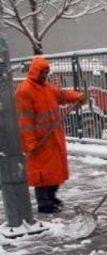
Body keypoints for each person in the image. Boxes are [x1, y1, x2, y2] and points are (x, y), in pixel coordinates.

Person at [15, 56, 86, 214]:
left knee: (55, 170)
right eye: (42, 72)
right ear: (35, 71)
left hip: (53, 136)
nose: (45, 75)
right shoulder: (24, 90)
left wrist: (77, 96)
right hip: (39, 139)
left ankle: (52, 197)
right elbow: (25, 120)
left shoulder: (48, 88)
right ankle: (44, 203)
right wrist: (30, 142)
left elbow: (62, 95)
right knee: (41, 173)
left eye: (46, 71)